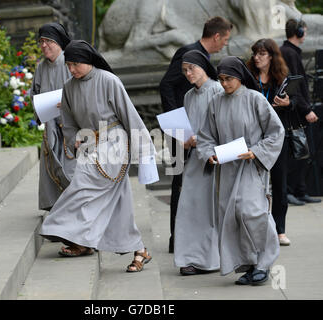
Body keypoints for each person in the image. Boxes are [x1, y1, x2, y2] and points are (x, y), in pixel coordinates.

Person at [40, 40, 158, 273]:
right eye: (69, 65)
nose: (72, 69)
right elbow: (69, 121)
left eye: (76, 64)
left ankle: (62, 227)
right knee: (118, 203)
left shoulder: (109, 80)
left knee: (83, 182)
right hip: (89, 144)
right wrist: (74, 140)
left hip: (114, 141)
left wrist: (144, 152)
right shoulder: (69, 86)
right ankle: (139, 250)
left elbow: (130, 115)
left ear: (88, 60)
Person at [196, 56, 284, 286]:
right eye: (221, 79)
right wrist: (209, 154)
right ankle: (250, 264)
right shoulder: (215, 102)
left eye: (229, 79)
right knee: (233, 217)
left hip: (251, 167)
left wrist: (256, 152)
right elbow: (205, 137)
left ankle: (264, 263)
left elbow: (276, 132)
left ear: (240, 77)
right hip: (226, 170)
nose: (224, 84)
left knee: (251, 212)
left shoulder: (255, 99)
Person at [159, 16, 233, 253]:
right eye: (225, 40)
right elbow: (166, 85)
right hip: (183, 134)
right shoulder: (189, 53)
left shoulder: (203, 63)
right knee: (181, 186)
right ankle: (177, 239)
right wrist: (178, 128)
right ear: (216, 36)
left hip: (199, 136)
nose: (225, 45)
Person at [174, 50, 223, 276]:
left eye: (191, 68)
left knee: (209, 210)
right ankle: (190, 257)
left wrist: (201, 139)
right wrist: (184, 140)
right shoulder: (188, 96)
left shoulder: (218, 90)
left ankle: (208, 260)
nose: (188, 73)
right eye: (185, 70)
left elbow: (223, 126)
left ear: (203, 66)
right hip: (195, 159)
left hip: (213, 158)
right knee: (189, 209)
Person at [246, 38, 296, 246]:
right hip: (254, 136)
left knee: (279, 182)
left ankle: (280, 230)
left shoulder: (280, 79)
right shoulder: (248, 78)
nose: (257, 57)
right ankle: (256, 229)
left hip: (277, 137)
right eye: (255, 53)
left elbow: (298, 104)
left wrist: (288, 103)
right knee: (254, 183)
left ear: (271, 57)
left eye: (262, 54)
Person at [30, 22, 76, 211]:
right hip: (50, 127)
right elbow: (34, 93)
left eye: (48, 41)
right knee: (51, 173)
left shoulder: (70, 62)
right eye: (41, 41)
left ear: (58, 42)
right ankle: (57, 213)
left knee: (71, 172)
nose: (43, 45)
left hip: (70, 128)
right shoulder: (41, 67)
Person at [280, 19, 321, 206]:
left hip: (298, 108)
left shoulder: (291, 52)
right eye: (303, 31)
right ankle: (290, 190)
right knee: (297, 152)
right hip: (296, 110)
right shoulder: (289, 53)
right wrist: (306, 110)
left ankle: (299, 190)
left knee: (303, 152)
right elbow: (294, 85)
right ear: (299, 32)